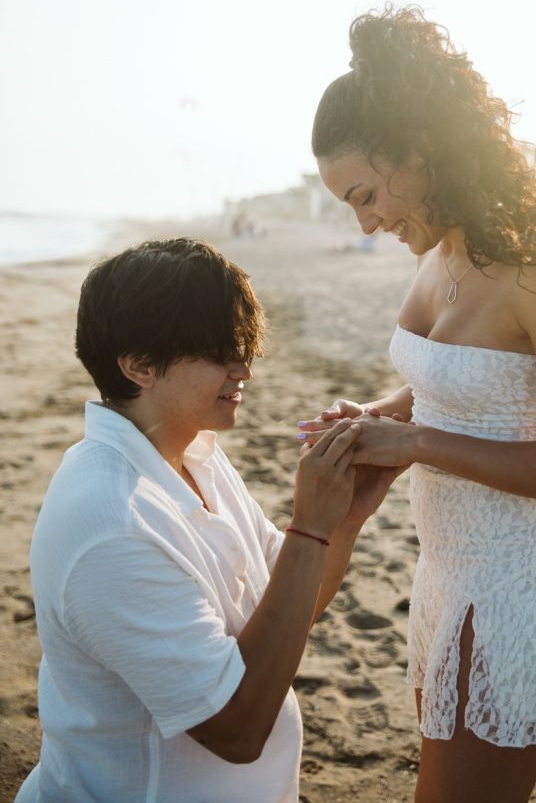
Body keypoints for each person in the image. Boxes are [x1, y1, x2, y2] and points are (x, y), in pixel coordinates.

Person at [298, 6, 536, 803]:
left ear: (417, 152)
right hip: (446, 569)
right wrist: (380, 417)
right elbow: (459, 381)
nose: (366, 223)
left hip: (515, 580)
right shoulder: (444, 246)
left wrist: (418, 444)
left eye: (365, 194)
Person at [17, 238, 402, 803]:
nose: (243, 368)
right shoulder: (112, 524)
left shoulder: (192, 450)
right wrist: (309, 527)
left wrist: (340, 521)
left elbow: (288, 605)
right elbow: (236, 729)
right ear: (139, 364)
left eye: (243, 345)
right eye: (219, 350)